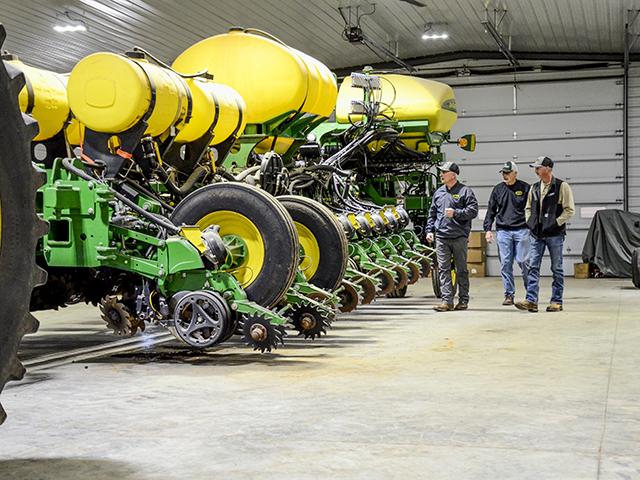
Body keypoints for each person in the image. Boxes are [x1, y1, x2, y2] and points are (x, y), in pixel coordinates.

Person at [515, 156, 575, 313]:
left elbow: (569, 210)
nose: (536, 170)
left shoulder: (562, 186)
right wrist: (530, 221)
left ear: (548, 168)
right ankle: (531, 300)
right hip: (536, 235)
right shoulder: (534, 188)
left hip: (555, 235)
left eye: (538, 167)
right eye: (535, 168)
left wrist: (555, 223)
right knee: (533, 266)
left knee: (557, 268)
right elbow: (528, 208)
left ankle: (556, 301)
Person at [426, 161, 479, 312]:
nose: (441, 174)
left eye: (444, 172)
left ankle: (463, 300)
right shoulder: (439, 192)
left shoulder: (465, 191)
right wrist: (429, 230)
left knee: (461, 269)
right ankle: (446, 301)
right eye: (441, 172)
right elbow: (432, 213)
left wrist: (456, 213)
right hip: (441, 237)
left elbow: (473, 211)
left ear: (453, 175)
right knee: (443, 269)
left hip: (459, 237)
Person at [483, 161, 530, 306]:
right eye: (503, 173)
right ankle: (509, 295)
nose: (505, 175)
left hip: (522, 230)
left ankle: (531, 294)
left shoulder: (525, 188)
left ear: (515, 173)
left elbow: (532, 209)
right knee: (505, 264)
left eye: (508, 173)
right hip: (503, 231)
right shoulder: (498, 189)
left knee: (524, 262)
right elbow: (491, 210)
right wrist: (488, 229)